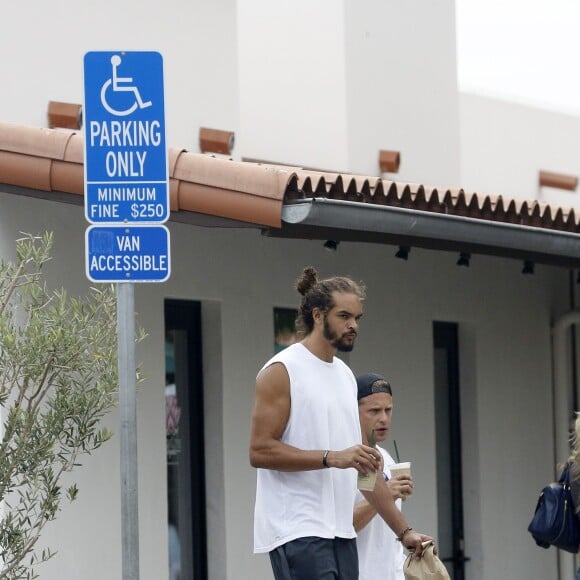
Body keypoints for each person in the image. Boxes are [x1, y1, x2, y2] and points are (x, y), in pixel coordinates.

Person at [249, 266, 433, 580]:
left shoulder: (345, 377)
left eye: (357, 318)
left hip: (341, 533)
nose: (353, 326)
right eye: (344, 316)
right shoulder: (282, 369)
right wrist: (332, 457)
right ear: (318, 315)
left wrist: (405, 533)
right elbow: (260, 451)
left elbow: (365, 469)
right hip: (297, 529)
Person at [354, 373, 413, 580]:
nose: (383, 419)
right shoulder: (344, 460)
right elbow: (343, 526)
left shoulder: (386, 458)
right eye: (374, 411)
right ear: (353, 411)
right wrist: (385, 494)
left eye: (388, 410)